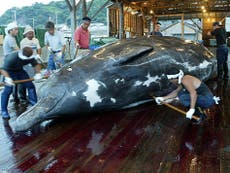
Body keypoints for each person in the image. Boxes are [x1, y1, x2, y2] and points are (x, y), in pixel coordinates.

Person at [155, 69, 220, 123]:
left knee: (182, 98)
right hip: (203, 98)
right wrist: (163, 98)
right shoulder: (183, 79)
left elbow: (193, 94)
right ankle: (197, 111)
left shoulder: (185, 81)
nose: (170, 81)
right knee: (181, 93)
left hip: (207, 100)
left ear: (174, 78)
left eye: (170, 80)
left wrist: (192, 109)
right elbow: (176, 92)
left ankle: (199, 114)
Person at [1, 47, 42, 119]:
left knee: (30, 86)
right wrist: (7, 78)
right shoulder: (12, 58)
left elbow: (36, 64)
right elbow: (3, 70)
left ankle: (34, 104)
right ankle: (4, 111)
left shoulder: (30, 56)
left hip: (20, 72)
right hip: (9, 72)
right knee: (8, 90)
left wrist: (38, 73)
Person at [19, 25, 42, 103]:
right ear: (25, 34)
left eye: (32, 33)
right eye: (29, 34)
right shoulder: (23, 42)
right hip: (26, 63)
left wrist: (38, 55)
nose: (31, 35)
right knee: (23, 81)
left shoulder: (36, 40)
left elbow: (39, 48)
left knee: (30, 80)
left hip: (34, 62)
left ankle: (31, 97)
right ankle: (22, 98)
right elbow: (22, 53)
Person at [3, 22, 20, 103]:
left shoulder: (11, 37)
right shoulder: (9, 38)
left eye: (17, 29)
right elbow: (17, 50)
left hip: (12, 61)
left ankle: (15, 97)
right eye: (16, 29)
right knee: (9, 83)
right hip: (9, 63)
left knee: (15, 81)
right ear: (10, 31)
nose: (17, 31)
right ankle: (11, 98)